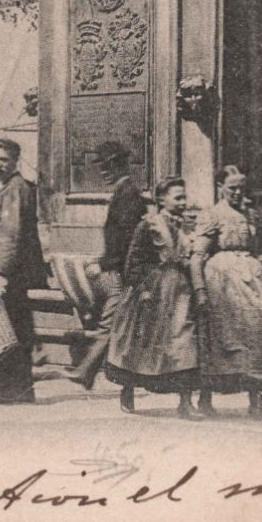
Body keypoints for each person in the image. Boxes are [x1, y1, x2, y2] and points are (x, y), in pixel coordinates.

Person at [105, 177, 202, 417]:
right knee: (140, 345)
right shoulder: (148, 225)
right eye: (177, 198)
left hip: (180, 291)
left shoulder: (187, 228)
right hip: (152, 292)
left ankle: (185, 402)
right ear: (161, 200)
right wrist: (142, 289)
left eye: (184, 197)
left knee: (184, 342)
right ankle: (128, 389)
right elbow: (134, 261)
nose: (182, 202)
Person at [191, 166, 262, 416]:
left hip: (250, 283)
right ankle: (205, 399)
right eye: (232, 188)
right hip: (222, 283)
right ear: (220, 188)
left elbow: (255, 248)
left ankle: (257, 399)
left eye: (242, 187)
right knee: (222, 339)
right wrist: (199, 289)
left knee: (256, 337)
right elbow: (197, 255)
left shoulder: (250, 214)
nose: (238, 192)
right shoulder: (212, 214)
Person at [66, 141, 148, 389]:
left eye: (106, 165)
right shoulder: (123, 192)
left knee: (109, 322)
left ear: (117, 165)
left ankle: (86, 370)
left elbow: (126, 241)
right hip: (116, 269)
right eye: (100, 165)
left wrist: (104, 263)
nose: (101, 171)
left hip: (122, 273)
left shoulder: (128, 195)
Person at [0, 139, 47, 405]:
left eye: (4, 160)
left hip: (7, 276)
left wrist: (0, 273)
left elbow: (11, 234)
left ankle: (6, 389)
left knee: (6, 332)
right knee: (13, 331)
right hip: (1, 273)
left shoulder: (15, 189)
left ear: (16, 160)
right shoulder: (5, 188)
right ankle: (15, 389)